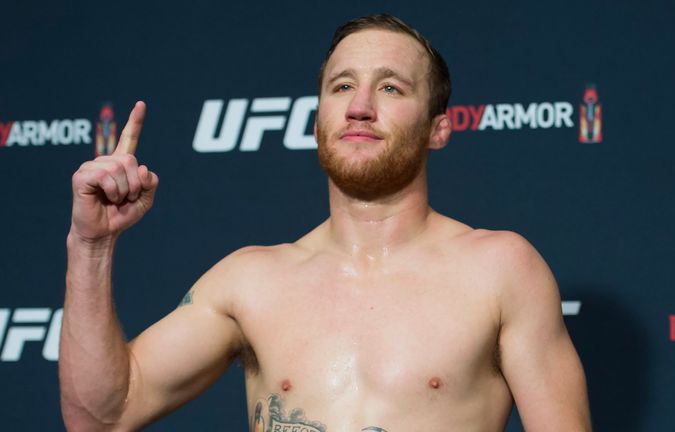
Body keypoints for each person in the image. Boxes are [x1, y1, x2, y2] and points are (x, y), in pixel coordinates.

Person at [60, 14, 591, 432]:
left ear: (438, 129)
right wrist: (91, 245)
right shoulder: (251, 281)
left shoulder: (500, 271)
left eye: (391, 88)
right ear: (317, 123)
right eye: (341, 87)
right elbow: (102, 417)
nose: (360, 107)